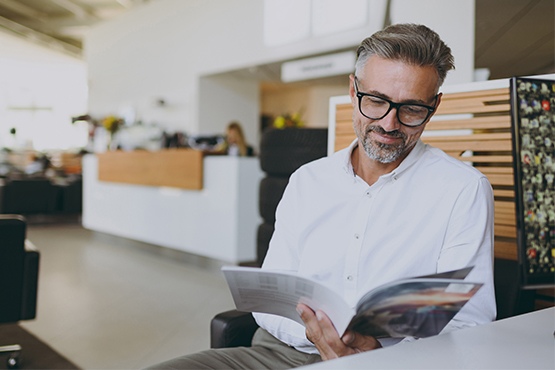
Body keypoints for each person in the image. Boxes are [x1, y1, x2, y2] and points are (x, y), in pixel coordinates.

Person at [146, 23, 495, 370]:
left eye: (412, 109)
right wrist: (320, 336)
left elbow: (470, 326)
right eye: (375, 101)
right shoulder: (308, 181)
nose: (389, 124)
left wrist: (378, 351)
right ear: (352, 89)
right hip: (281, 354)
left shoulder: (462, 190)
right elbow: (269, 303)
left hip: (393, 362)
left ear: (434, 105)